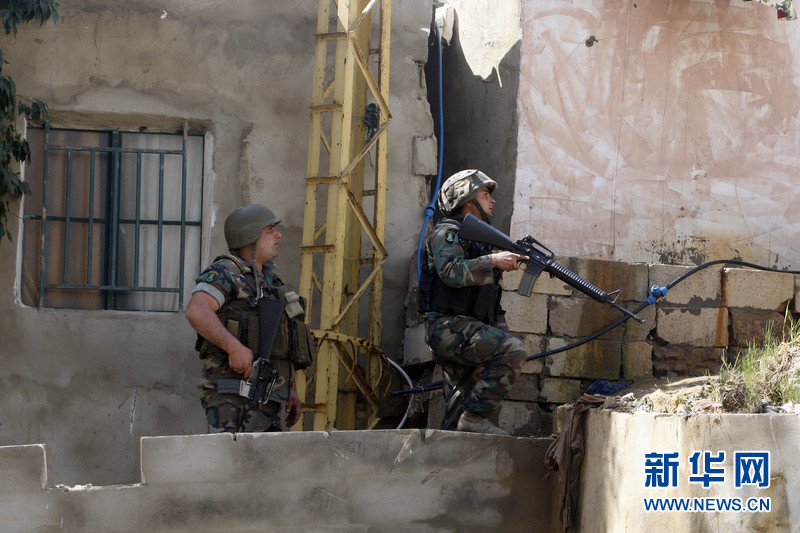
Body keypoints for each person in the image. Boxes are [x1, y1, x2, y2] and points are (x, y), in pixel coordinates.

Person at [419, 170, 529, 435]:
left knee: (456, 415)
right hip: (447, 328)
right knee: (514, 350)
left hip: (466, 328)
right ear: (466, 199)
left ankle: (451, 447)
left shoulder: (478, 241)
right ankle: (475, 418)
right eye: (485, 194)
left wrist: (500, 331)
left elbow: (488, 298)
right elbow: (450, 272)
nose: (492, 200)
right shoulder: (446, 232)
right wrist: (493, 261)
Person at [186, 204, 311, 433]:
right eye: (270, 230)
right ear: (249, 236)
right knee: (233, 455)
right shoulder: (227, 272)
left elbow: (277, 342)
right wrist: (234, 347)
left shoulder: (271, 281)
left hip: (270, 397)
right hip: (234, 396)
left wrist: (289, 389)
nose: (278, 235)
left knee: (264, 456)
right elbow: (197, 310)